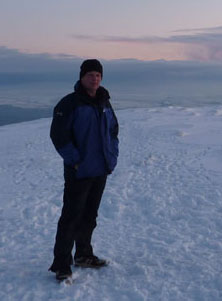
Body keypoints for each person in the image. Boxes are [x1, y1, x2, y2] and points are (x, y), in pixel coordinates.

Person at [49, 59, 119, 281]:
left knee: (89, 216)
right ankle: (61, 264)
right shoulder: (69, 104)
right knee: (71, 217)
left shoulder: (104, 102)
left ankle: (83, 255)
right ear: (81, 77)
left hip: (100, 170)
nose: (94, 78)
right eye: (90, 74)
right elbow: (59, 137)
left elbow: (113, 131)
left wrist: (112, 156)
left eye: (98, 75)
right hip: (79, 171)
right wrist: (75, 161)